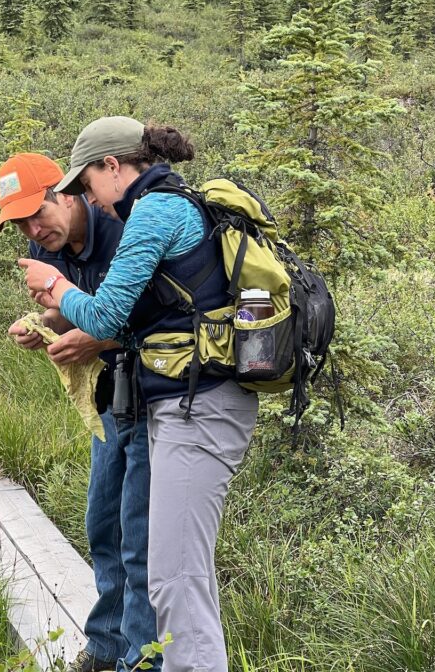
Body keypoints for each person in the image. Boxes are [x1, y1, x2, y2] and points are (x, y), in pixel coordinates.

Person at [19, 119, 259, 672]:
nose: (89, 200)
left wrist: (56, 286)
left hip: (196, 407)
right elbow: (149, 322)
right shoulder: (174, 202)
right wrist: (54, 318)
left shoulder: (154, 210)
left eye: (86, 186)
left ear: (112, 166)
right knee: (179, 576)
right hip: (190, 402)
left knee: (175, 579)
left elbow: (105, 314)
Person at [0, 152, 159, 672]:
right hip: (111, 397)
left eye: (38, 211)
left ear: (67, 192)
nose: (32, 227)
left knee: (139, 535)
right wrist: (39, 323)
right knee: (101, 522)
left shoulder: (121, 224)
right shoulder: (46, 244)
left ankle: (141, 657)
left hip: (158, 394)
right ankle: (107, 645)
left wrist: (94, 338)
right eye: (20, 221)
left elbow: (159, 316)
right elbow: (65, 305)